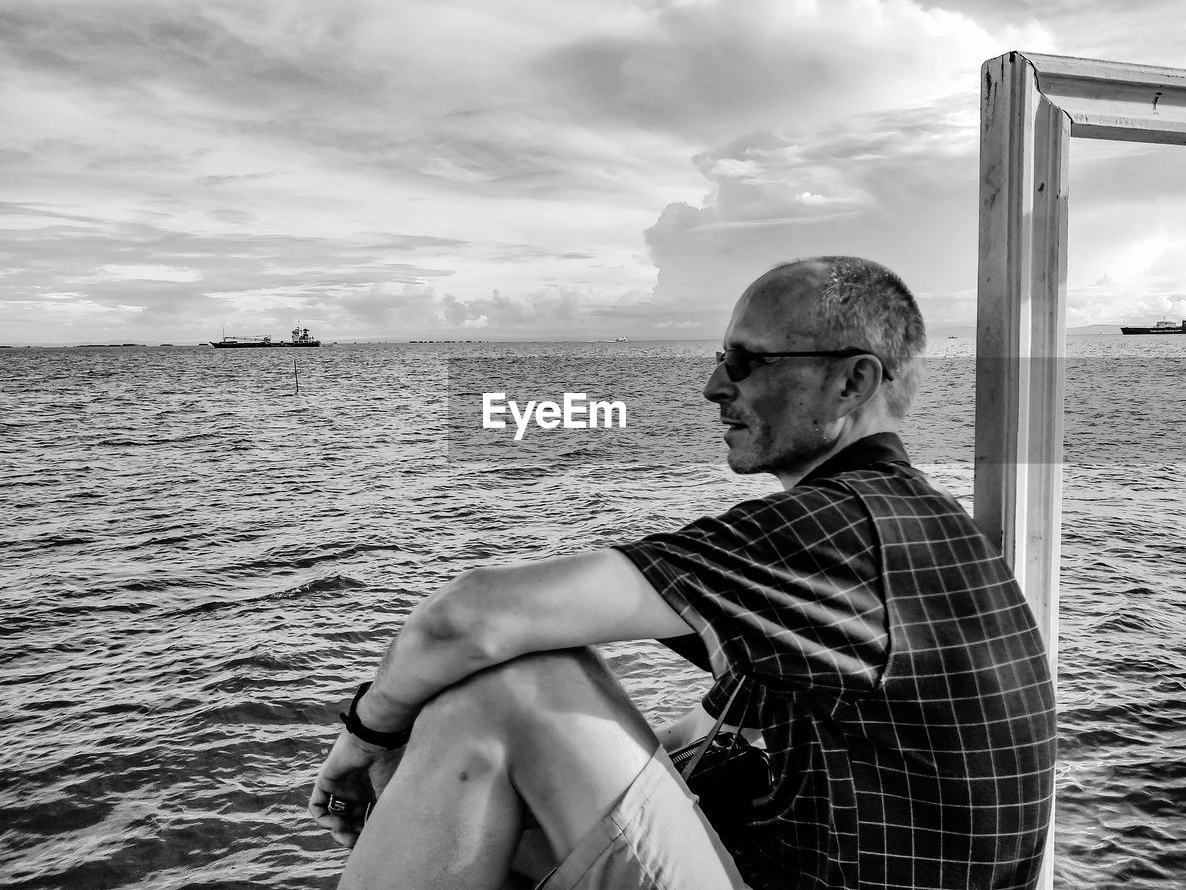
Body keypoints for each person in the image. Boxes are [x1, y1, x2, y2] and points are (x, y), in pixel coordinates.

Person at [308, 256, 1056, 890]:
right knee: (470, 737)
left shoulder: (842, 529)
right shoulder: (903, 530)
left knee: (513, 683)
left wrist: (363, 740)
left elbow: (469, 615)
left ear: (853, 384)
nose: (712, 386)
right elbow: (704, 732)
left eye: (744, 361)